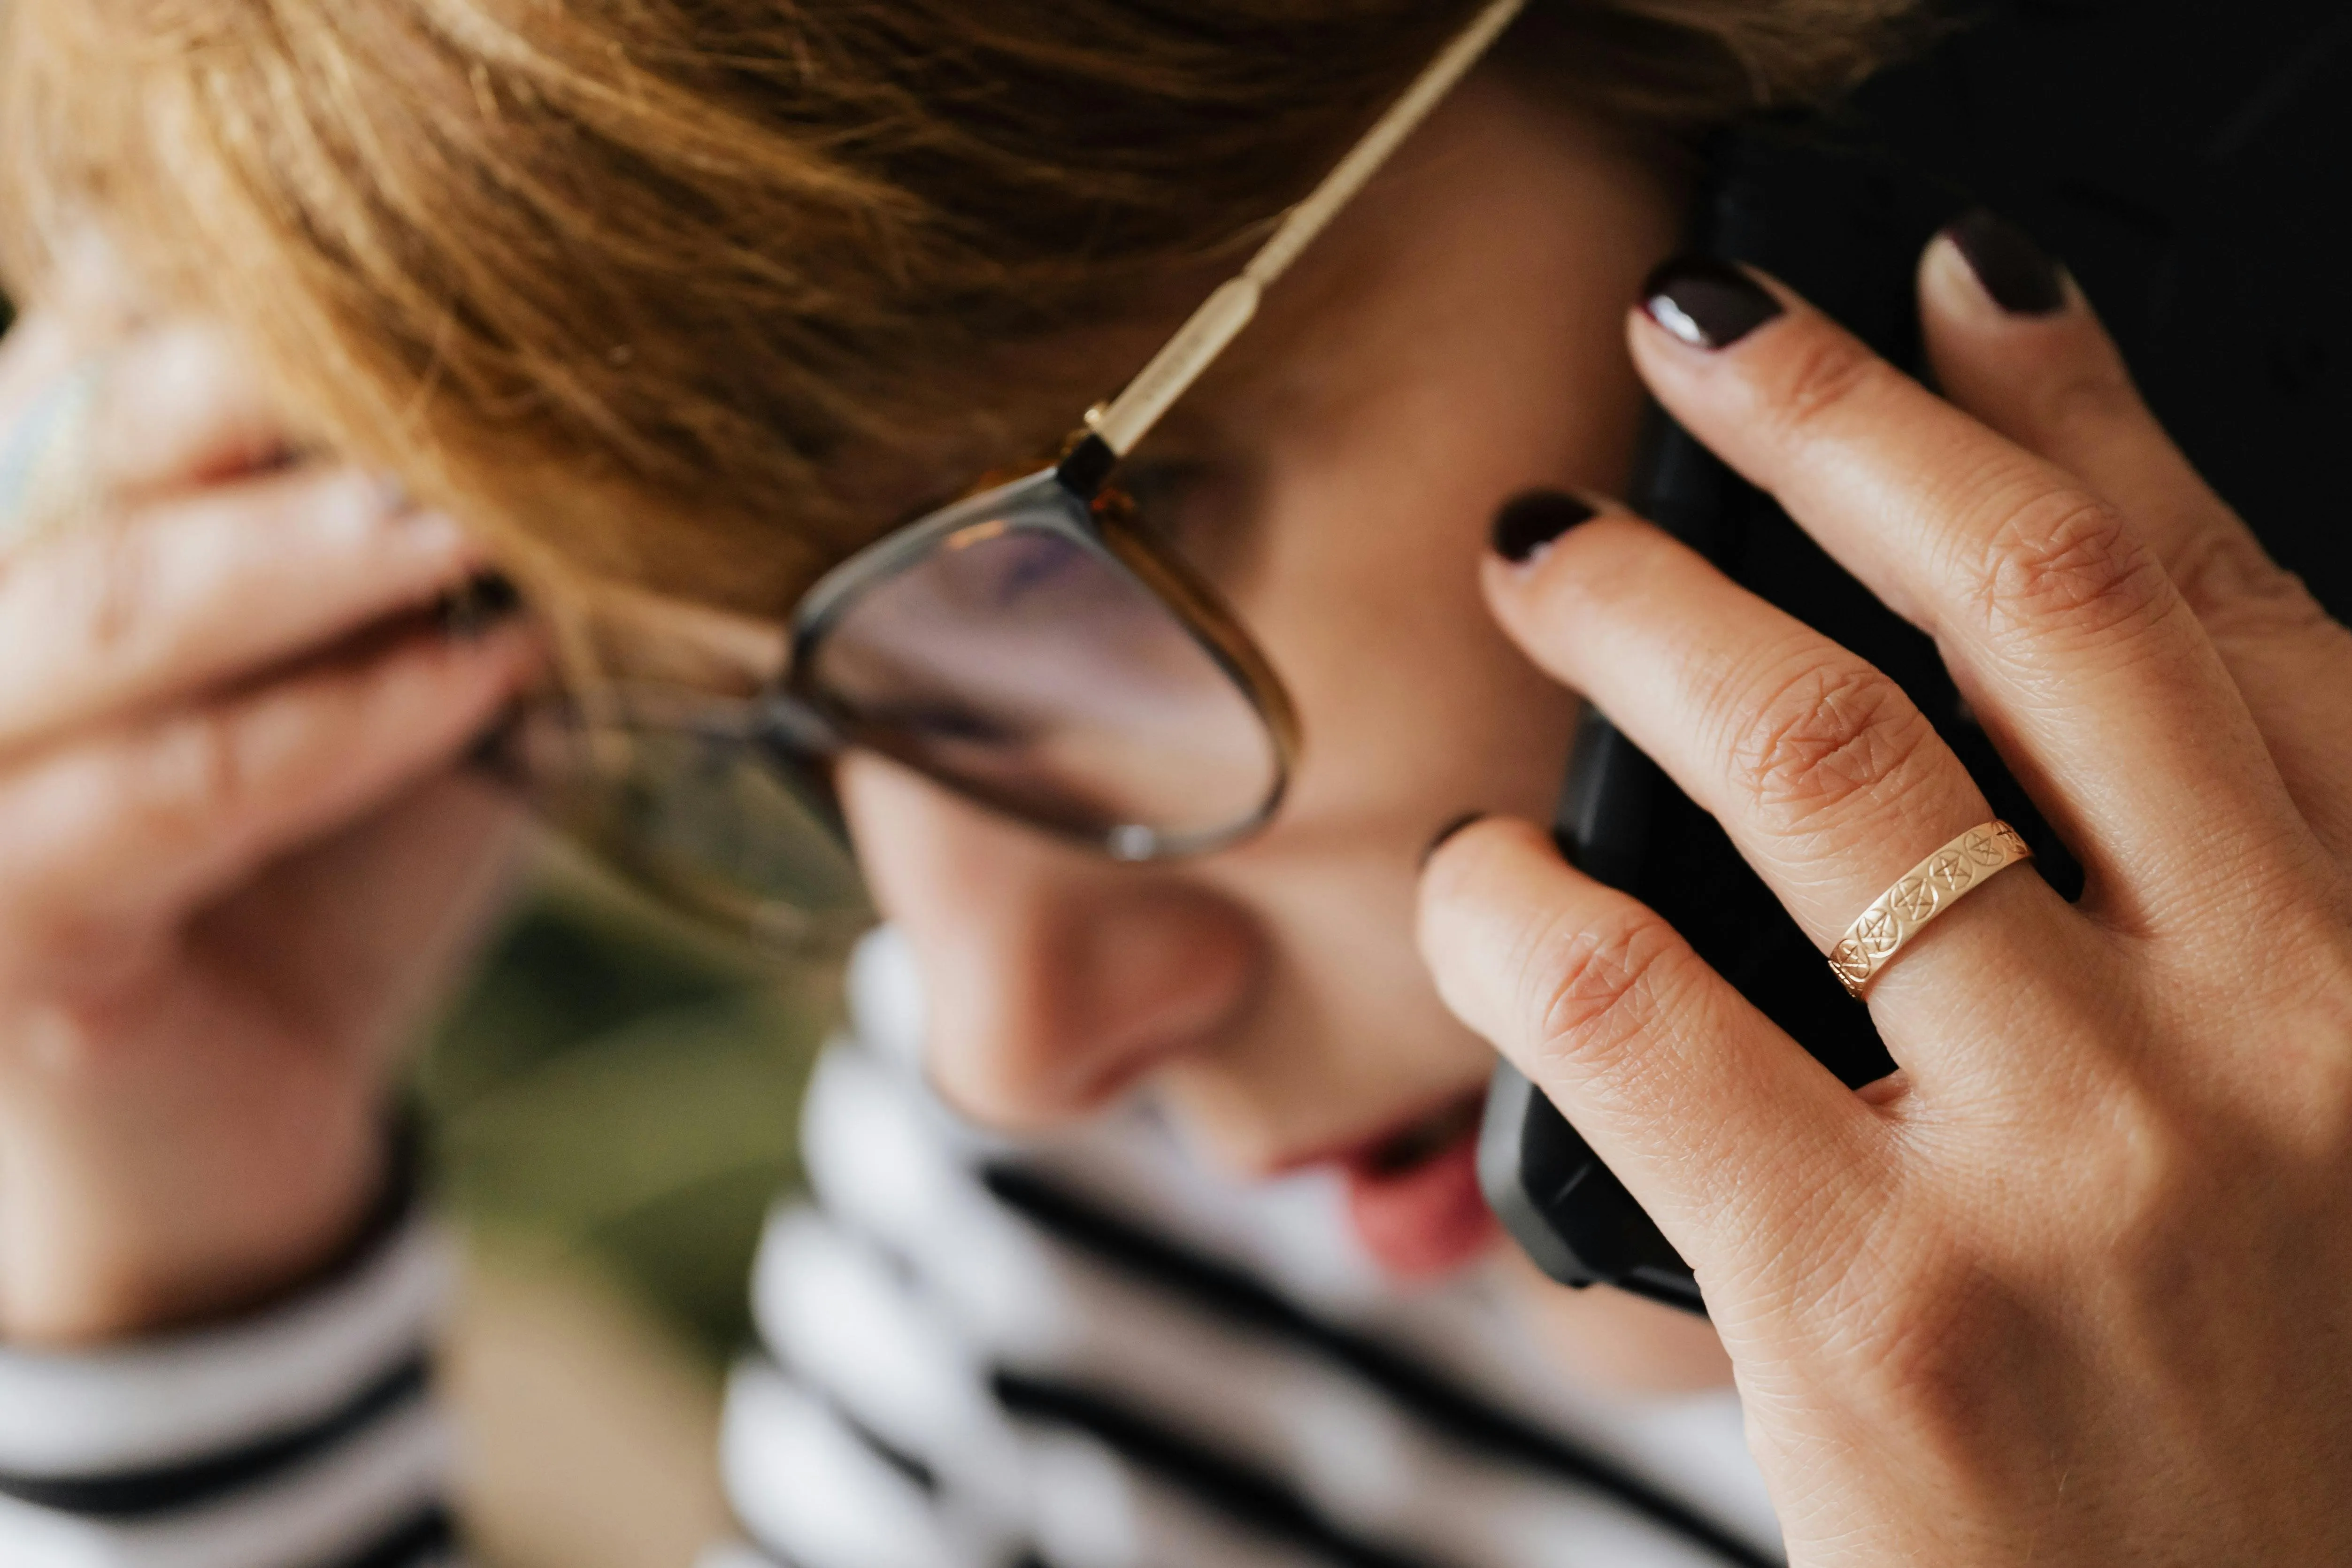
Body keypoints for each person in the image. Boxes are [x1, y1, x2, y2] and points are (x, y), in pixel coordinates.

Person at [0, 0, 2348, 1564]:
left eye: (1041, 578)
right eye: (781, 735)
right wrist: (192, 1313)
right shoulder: (1109, 1253)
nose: (1009, 1040)